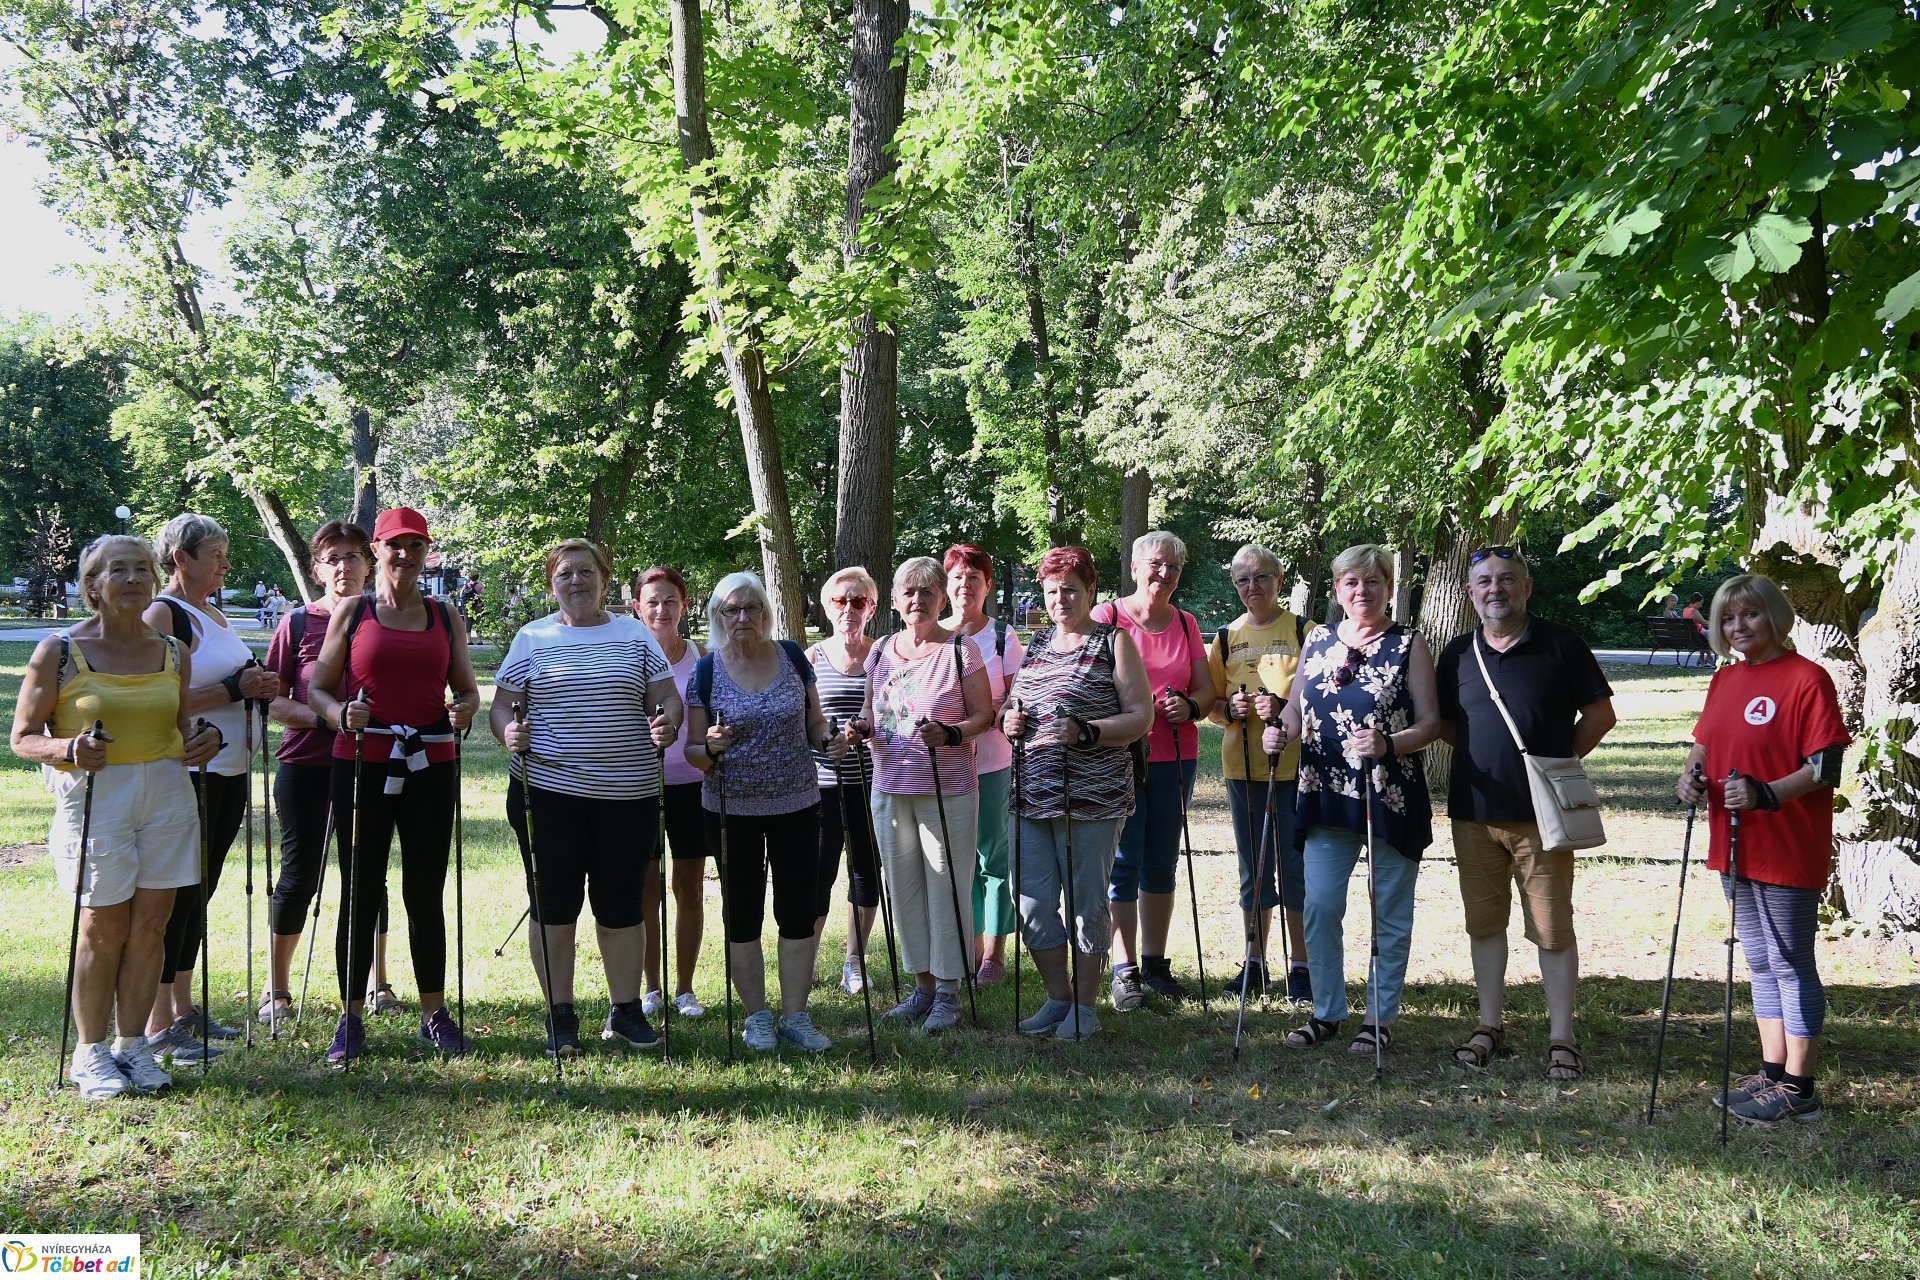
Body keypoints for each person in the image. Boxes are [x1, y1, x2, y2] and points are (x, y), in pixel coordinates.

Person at [10, 535, 221, 1098]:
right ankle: (90, 1052)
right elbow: (23, 738)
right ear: (94, 586)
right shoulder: (58, 651)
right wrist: (66, 749)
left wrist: (206, 738)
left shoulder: (172, 651)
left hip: (168, 795)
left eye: (141, 569)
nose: (132, 579)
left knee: (154, 921)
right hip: (97, 795)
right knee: (102, 925)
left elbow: (180, 729)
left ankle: (133, 1045)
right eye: (117, 570)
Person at [492, 540, 682, 1054]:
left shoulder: (633, 634)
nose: (576, 581)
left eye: (586, 572)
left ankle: (624, 1011)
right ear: (552, 583)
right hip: (548, 792)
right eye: (564, 573)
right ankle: (561, 1014)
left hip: (627, 793)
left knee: (621, 902)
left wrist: (667, 721)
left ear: (605, 578)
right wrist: (508, 732)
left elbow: (664, 696)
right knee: (553, 904)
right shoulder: (532, 637)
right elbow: (504, 705)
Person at [1435, 545, 1617, 1081]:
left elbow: (1601, 715)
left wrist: (1556, 765)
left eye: (1508, 579)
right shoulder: (1457, 654)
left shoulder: (1561, 644)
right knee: (1485, 925)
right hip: (1473, 813)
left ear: (1527, 588)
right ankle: (1489, 1025)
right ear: (1470, 593)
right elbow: (1446, 724)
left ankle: (1562, 1035)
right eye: (1485, 581)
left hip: (1544, 817)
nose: (1497, 589)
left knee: (1552, 928)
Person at [308, 507, 481, 1066]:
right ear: (376, 550)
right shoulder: (354, 612)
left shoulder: (443, 615)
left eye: (415, 546)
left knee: (425, 889)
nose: (404, 555)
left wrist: (465, 712)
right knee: (360, 889)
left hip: (431, 762)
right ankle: (350, 1018)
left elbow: (468, 690)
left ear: (426, 553)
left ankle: (435, 1012)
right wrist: (339, 715)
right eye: (393, 545)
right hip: (362, 760)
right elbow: (319, 691)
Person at [1677, 573, 1848, 1126]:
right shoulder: (1726, 680)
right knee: (1759, 960)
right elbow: (1705, 744)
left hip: (1787, 843)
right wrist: (1691, 777)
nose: (1737, 626)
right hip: (1733, 842)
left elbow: (1826, 767)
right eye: (1728, 618)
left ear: (1773, 616)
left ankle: (1800, 1087)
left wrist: (1766, 793)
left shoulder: (1807, 679)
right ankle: (1773, 1073)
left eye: (1749, 614)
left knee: (1790, 960)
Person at [1270, 544, 1441, 1055]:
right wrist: (1279, 732)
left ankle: (1379, 1018)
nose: (1361, 591)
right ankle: (1327, 1011)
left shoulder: (1410, 644)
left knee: (1387, 908)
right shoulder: (1319, 639)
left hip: (1388, 794)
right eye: (1351, 583)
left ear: (1389, 588)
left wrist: (1390, 743)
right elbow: (1297, 710)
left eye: (1372, 582)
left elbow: (1431, 725)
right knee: (1320, 904)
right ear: (1338, 590)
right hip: (1324, 792)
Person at [141, 514, 285, 1060]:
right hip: (186, 772)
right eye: (217, 553)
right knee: (176, 892)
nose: (226, 562)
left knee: (201, 890)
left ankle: (182, 1008)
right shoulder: (165, 614)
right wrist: (233, 687)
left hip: (227, 771)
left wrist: (258, 687)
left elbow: (234, 683)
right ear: (182, 558)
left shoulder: (214, 612)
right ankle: (158, 1021)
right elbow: (156, 698)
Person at [684, 571, 841, 1053]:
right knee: (742, 912)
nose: (743, 617)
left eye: (752, 608)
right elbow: (693, 751)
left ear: (765, 613)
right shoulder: (706, 671)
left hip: (798, 802)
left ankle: (796, 1015)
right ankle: (757, 1017)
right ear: (718, 617)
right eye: (732, 610)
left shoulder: (793, 657)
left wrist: (828, 742)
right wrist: (709, 746)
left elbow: (814, 721)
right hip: (732, 810)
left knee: (797, 909)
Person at [1002, 546, 1152, 1040]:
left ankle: (1085, 1008)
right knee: (1031, 903)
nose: (1060, 598)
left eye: (1070, 589)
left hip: (1094, 798)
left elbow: (1139, 717)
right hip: (1031, 794)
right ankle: (1058, 998)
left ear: (1091, 591)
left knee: (1088, 902)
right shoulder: (1039, 644)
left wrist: (1087, 731)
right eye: (1051, 591)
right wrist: (1010, 720)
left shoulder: (1114, 642)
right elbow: (1014, 705)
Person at [260, 522, 405, 1025]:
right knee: (300, 874)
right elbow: (274, 697)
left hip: (372, 765)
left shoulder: (386, 618)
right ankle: (276, 988)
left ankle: (377, 982)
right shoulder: (297, 624)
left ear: (370, 562)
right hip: (308, 764)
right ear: (317, 569)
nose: (345, 566)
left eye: (353, 556)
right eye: (333, 558)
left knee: (369, 876)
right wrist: (328, 714)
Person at [849, 557, 993, 1033]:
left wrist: (951, 734)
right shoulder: (882, 650)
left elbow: (983, 715)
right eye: (908, 593)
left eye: (927, 593)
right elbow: (871, 707)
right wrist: (862, 728)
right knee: (905, 887)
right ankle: (922, 987)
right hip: (890, 786)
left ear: (941, 599)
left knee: (946, 887)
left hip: (946, 788)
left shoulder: (961, 650)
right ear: (894, 602)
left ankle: (949, 992)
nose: (917, 601)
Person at [1091, 531, 1216, 1008]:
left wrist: (1190, 705)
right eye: (1157, 564)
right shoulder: (1108, 617)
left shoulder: (1186, 623)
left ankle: (1155, 963)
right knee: (1124, 862)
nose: (1164, 574)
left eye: (1174, 568)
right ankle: (1123, 968)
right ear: (1136, 566)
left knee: (1162, 861)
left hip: (1176, 759)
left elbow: (1205, 691)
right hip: (1119, 758)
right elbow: (1087, 678)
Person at [1206, 543, 1310, 1004]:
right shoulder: (1226, 637)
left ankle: (1302, 966)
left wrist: (1284, 708)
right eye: (1243, 580)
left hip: (1298, 769)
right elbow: (1210, 706)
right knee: (1255, 869)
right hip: (1242, 767)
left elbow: (1321, 699)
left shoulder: (1306, 631)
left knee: (1295, 869)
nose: (1252, 587)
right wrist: (1230, 708)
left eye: (1261, 577)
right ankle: (1255, 961)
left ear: (1279, 581)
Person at [941, 543, 1026, 985]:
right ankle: (967, 947)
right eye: (957, 578)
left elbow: (1017, 693)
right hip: (944, 764)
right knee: (959, 858)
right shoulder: (935, 635)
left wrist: (1000, 709)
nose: (964, 586)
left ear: (987, 587)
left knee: (993, 855)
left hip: (992, 759)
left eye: (973, 579)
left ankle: (994, 953)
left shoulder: (1000, 636)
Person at [632, 566, 712, 1020]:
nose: (662, 609)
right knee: (646, 885)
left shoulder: (701, 658)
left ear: (684, 606)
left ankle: (684, 988)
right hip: (641, 786)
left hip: (692, 786)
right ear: (638, 606)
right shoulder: (627, 652)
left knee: (689, 886)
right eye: (653, 601)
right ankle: (651, 987)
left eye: (671, 601)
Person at [807, 567, 885, 995]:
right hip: (820, 786)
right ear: (827, 606)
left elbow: (891, 716)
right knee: (818, 872)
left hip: (871, 784)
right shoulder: (812, 658)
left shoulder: (882, 655)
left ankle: (854, 961)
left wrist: (867, 731)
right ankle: (808, 955)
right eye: (841, 601)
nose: (849, 609)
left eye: (859, 601)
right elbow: (803, 721)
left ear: (872, 607)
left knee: (865, 872)